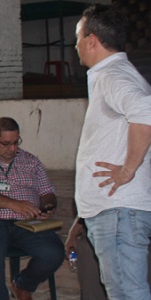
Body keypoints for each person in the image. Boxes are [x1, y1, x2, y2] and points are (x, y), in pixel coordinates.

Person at [73, 4, 151, 299]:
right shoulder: (111, 74)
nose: (76, 45)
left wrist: (127, 169)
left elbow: (145, 111)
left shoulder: (113, 75)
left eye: (78, 37)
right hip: (114, 211)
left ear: (92, 40)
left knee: (127, 292)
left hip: (118, 211)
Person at [0, 117, 64, 300]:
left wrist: (48, 205)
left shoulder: (31, 161)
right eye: (7, 144)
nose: (13, 149)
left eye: (16, 142)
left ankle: (23, 284)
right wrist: (13, 204)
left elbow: (47, 192)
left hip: (24, 223)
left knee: (53, 251)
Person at [65, 205, 151, 300]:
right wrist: (72, 233)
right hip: (96, 218)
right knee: (86, 250)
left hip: (123, 217)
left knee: (130, 288)